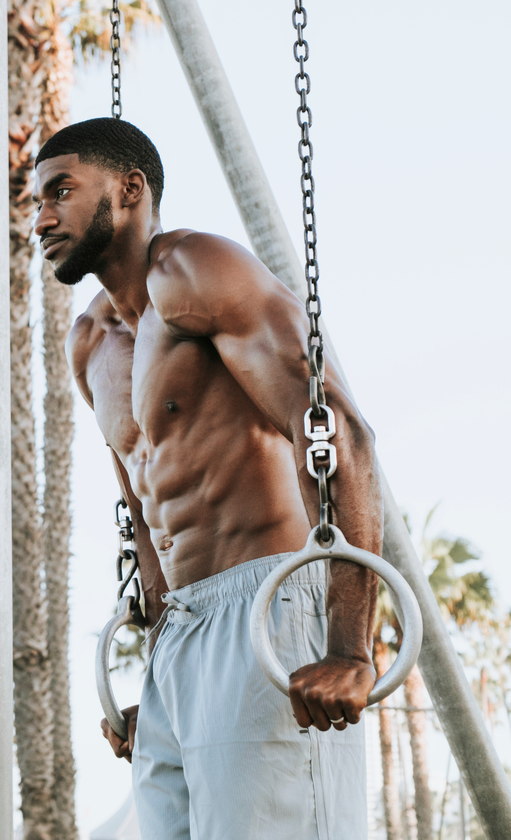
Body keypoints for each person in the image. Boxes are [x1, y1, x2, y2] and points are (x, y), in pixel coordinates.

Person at [33, 117, 382, 840]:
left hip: (270, 607)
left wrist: (350, 648)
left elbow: (337, 433)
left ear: (129, 191)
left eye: (60, 191)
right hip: (181, 635)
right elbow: (143, 502)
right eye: (35, 199)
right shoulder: (90, 342)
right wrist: (168, 685)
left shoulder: (196, 270)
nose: (40, 217)